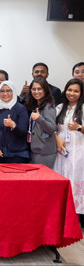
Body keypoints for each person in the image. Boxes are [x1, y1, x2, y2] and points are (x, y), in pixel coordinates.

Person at [53, 79, 84, 224]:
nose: (72, 93)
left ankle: (72, 222)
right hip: (61, 152)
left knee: (74, 183)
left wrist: (79, 127)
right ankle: (59, 220)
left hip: (78, 153)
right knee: (60, 182)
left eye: (76, 91)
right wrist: (57, 139)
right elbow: (50, 128)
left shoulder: (83, 108)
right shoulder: (60, 107)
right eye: (69, 90)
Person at [0, 81, 30, 163]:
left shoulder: (20, 109)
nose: (5, 93)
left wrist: (13, 125)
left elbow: (23, 133)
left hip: (16, 155)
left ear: (14, 92)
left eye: (8, 91)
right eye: (2, 91)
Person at [25, 77, 57, 168]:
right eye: (33, 89)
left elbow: (51, 128)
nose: (36, 91)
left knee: (43, 180)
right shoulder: (35, 104)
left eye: (39, 89)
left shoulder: (49, 106)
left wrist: (39, 118)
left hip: (45, 152)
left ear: (45, 90)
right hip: (35, 150)